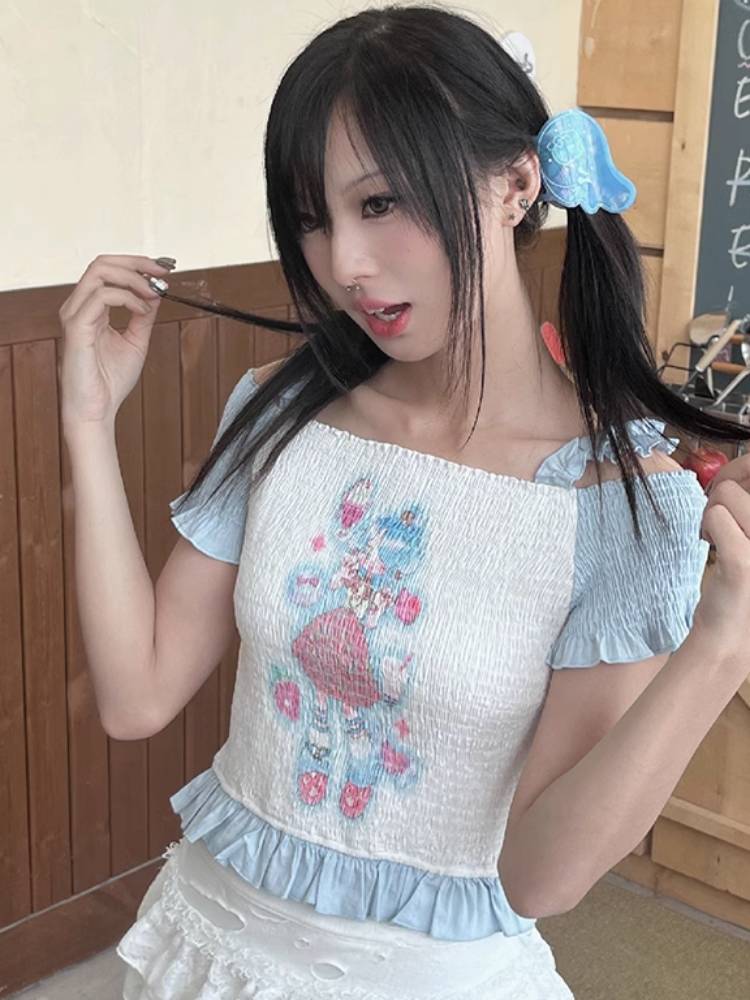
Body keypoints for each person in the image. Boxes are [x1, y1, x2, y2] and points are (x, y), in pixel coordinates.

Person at [57, 5, 750, 998]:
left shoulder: (614, 500)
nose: (343, 263)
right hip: (201, 954)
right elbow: (137, 697)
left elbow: (541, 877)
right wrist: (88, 422)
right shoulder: (278, 412)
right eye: (313, 218)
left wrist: (724, 643)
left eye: (380, 203)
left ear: (515, 185)